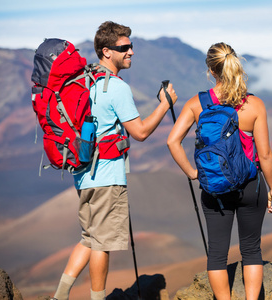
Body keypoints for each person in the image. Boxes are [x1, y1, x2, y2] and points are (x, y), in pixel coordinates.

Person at [52, 21, 177, 300]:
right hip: (107, 176)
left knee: (89, 238)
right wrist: (165, 104)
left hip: (83, 174)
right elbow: (141, 132)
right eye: (125, 47)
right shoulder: (116, 88)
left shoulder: (84, 82)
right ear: (107, 51)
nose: (131, 51)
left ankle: (59, 297)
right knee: (101, 244)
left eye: (131, 46)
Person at [167, 42, 272, 300]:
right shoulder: (253, 105)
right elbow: (264, 155)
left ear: (210, 70)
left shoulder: (198, 103)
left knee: (217, 253)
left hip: (214, 188)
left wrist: (193, 172)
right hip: (251, 185)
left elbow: (172, 141)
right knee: (251, 249)